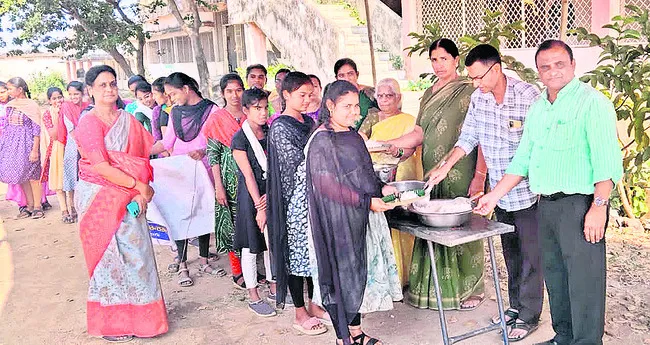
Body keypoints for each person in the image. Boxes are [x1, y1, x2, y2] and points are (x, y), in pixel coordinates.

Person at [474, 40, 624, 345]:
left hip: (580, 205)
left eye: (559, 64)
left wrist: (599, 206)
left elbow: (607, 161)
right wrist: (493, 195)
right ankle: (564, 336)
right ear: (539, 72)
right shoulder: (540, 106)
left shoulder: (592, 103)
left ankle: (586, 341)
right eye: (545, 66)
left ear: (572, 66)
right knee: (556, 276)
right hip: (546, 205)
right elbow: (523, 158)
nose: (552, 71)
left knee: (584, 281)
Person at [427, 44, 543, 341]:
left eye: (479, 77)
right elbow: (468, 139)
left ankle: (529, 316)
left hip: (529, 193)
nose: (475, 84)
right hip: (499, 195)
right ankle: (515, 307)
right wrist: (444, 166)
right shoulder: (479, 98)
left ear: (497, 68)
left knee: (532, 256)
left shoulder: (528, 96)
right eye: (472, 78)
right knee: (511, 253)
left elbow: (536, 149)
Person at [386, 39, 488, 310]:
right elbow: (419, 133)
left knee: (463, 223)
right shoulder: (430, 93)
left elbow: (482, 136)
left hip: (462, 168)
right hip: (432, 167)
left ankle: (472, 288)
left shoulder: (470, 91)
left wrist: (479, 176)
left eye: (444, 58)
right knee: (431, 223)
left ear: (456, 60)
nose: (438, 64)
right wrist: (393, 144)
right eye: (434, 59)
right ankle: (433, 288)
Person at [74, 65, 168, 342]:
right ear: (90, 90)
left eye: (112, 83)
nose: (109, 89)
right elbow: (101, 166)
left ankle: (146, 322)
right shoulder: (89, 122)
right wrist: (137, 185)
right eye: (102, 85)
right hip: (99, 198)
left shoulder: (128, 120)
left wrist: (141, 189)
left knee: (138, 257)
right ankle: (114, 325)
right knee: (109, 261)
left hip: (129, 198)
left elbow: (142, 156)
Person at [307, 80, 401, 345]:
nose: (354, 113)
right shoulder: (322, 141)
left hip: (359, 216)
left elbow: (363, 174)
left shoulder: (353, 136)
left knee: (358, 273)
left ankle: (356, 333)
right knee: (342, 276)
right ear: (330, 106)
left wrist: (381, 188)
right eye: (346, 107)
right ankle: (342, 338)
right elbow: (326, 185)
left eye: (356, 107)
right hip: (335, 220)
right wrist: (366, 202)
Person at [151, 72, 227, 287]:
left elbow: (220, 141)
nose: (171, 98)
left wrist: (204, 151)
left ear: (186, 89)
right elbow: (166, 143)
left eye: (173, 93)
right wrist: (140, 152)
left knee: (203, 213)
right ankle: (183, 264)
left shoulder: (213, 111)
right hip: (180, 174)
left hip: (205, 171)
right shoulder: (174, 113)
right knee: (179, 217)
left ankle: (204, 259)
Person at [267, 71, 326, 335]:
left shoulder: (307, 122)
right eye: (301, 95)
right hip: (294, 202)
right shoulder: (280, 126)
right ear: (286, 95)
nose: (306, 100)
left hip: (314, 198)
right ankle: (299, 313)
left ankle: (314, 304)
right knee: (296, 258)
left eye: (310, 95)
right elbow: (295, 165)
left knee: (314, 255)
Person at [368, 78, 423, 287]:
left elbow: (410, 149)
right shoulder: (373, 117)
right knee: (379, 222)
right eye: (379, 96)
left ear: (398, 98)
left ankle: (401, 276)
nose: (384, 100)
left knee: (397, 221)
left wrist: (395, 150)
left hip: (397, 175)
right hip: (372, 175)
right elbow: (361, 140)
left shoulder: (408, 120)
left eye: (388, 95)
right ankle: (382, 277)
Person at [231, 88, 276, 317]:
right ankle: (253, 295)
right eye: (257, 108)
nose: (262, 113)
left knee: (270, 242)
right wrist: (260, 206)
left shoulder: (270, 131)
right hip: (251, 198)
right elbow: (248, 174)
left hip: (271, 193)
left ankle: (274, 286)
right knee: (251, 245)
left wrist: (269, 198)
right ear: (246, 110)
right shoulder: (240, 138)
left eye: (265, 107)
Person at [203, 73, 247, 289]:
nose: (234, 95)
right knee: (232, 225)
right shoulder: (217, 119)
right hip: (228, 181)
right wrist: (218, 186)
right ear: (222, 94)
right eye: (229, 91)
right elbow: (213, 155)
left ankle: (251, 268)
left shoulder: (252, 114)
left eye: (238, 90)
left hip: (252, 179)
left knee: (251, 225)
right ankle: (237, 271)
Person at [0, 77, 45, 219]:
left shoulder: (31, 106)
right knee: (22, 176)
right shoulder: (10, 105)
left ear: (20, 90)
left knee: (33, 175)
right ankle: (29, 205)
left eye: (10, 88)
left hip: (28, 143)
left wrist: (35, 149)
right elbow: (7, 126)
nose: (8, 91)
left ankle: (38, 206)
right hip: (13, 145)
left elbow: (36, 129)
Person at [58, 81, 91, 223]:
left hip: (88, 144)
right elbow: (70, 129)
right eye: (70, 94)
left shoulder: (87, 106)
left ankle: (86, 208)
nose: (73, 97)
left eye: (76, 94)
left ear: (82, 93)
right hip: (74, 145)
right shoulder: (66, 107)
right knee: (71, 177)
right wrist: (81, 147)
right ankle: (72, 209)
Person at [40, 87, 72, 223]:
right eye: (54, 98)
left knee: (70, 179)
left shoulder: (69, 110)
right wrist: (59, 115)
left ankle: (73, 207)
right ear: (49, 100)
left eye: (60, 97)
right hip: (56, 149)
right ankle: (64, 210)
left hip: (70, 147)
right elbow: (54, 134)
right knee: (59, 180)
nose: (58, 100)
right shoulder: (47, 114)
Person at [333, 58, 378, 135]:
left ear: (357, 75)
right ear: (336, 78)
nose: (346, 79)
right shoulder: (334, 98)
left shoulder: (370, 94)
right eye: (341, 75)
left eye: (350, 74)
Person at [151, 77, 171, 142]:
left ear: (165, 93)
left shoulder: (179, 108)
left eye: (155, 94)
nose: (153, 98)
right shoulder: (161, 111)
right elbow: (165, 141)